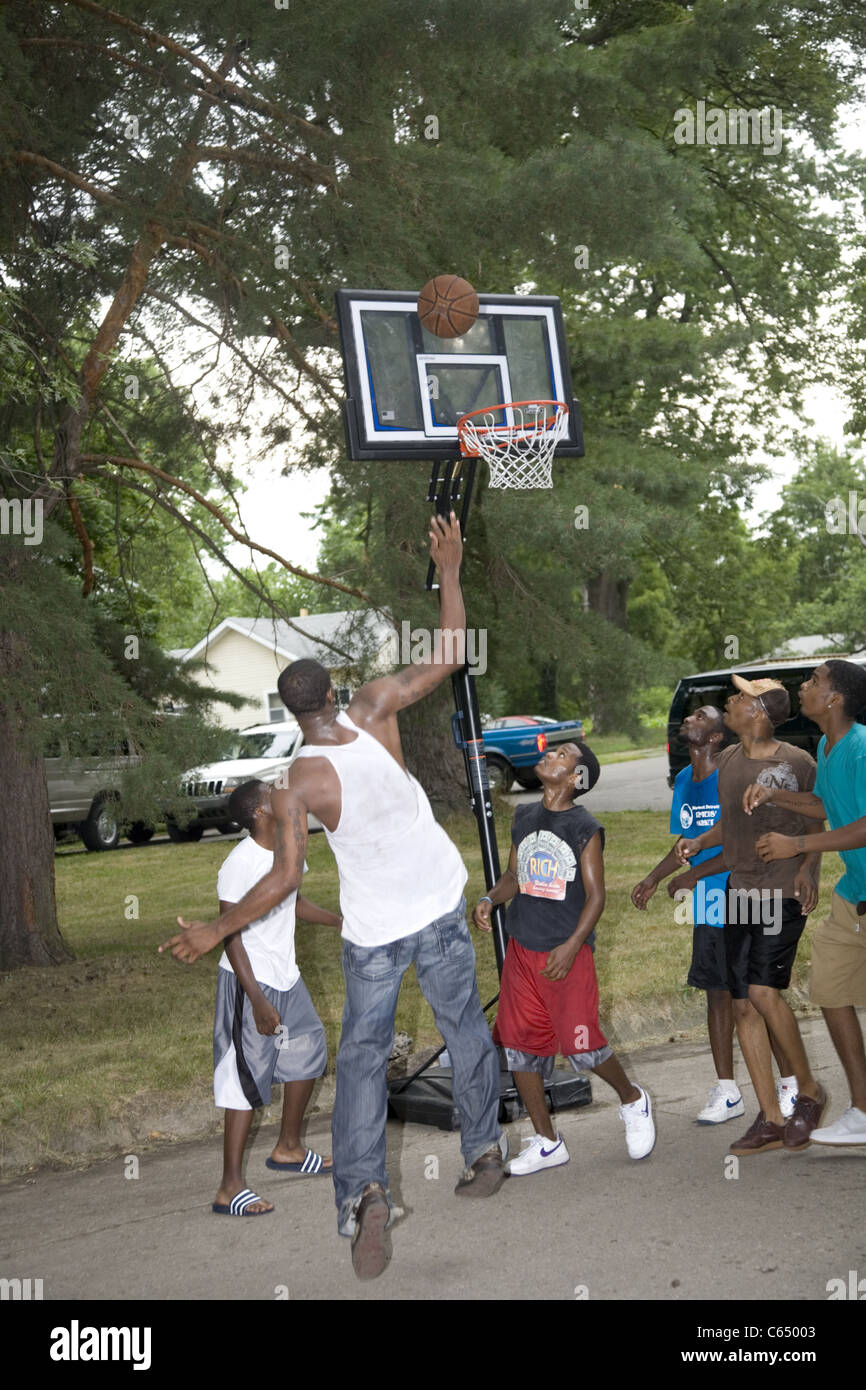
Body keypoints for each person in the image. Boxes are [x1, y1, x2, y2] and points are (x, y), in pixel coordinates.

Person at [161, 514, 505, 1280]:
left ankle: (364, 1200)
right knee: (465, 1030)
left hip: (376, 931)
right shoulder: (377, 705)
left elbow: (282, 880)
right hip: (441, 908)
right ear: (334, 691)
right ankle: (483, 1150)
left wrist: (218, 928)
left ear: (289, 711)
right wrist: (448, 569)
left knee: (358, 1062)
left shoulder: (296, 784)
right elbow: (451, 652)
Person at [474, 741, 655, 1174]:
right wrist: (490, 898)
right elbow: (515, 875)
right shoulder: (524, 816)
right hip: (523, 948)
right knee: (519, 1047)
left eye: (562, 755)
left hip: (564, 952)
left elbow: (596, 896)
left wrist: (574, 944)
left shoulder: (584, 826)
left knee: (583, 1047)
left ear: (576, 779)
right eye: (551, 751)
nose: (549, 755)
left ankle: (633, 1100)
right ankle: (547, 1140)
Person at [677, 675, 824, 1155]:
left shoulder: (797, 761)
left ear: (758, 712)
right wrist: (701, 842)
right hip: (740, 892)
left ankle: (809, 1090)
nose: (731, 703)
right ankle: (772, 1117)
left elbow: (817, 818)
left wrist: (809, 869)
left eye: (739, 698)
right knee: (743, 1003)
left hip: (781, 892)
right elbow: (731, 824)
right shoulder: (727, 762)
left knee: (763, 992)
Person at [746, 659, 866, 1145]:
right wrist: (777, 798)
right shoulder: (827, 744)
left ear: (835, 698)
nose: (805, 686)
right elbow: (826, 805)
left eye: (814, 681)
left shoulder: (861, 749)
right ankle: (862, 1112)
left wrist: (798, 847)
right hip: (853, 896)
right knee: (831, 991)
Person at [210, 779, 341, 1216]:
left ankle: (288, 1147)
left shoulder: (287, 849)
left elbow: (292, 900)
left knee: (308, 1050)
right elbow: (229, 935)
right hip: (250, 981)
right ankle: (229, 1186)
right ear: (260, 813)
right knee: (245, 1077)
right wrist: (257, 1000)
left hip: (287, 976)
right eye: (273, 794)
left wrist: (337, 920)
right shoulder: (239, 864)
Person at [632, 706, 746, 1123]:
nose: (688, 719)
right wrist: (653, 877)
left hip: (744, 895)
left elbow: (739, 840)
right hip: (708, 904)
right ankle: (729, 1091)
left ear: (716, 737)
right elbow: (687, 839)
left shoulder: (730, 777)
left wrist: (692, 874)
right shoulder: (684, 780)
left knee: (755, 997)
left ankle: (789, 1086)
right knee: (717, 994)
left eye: (700, 716)